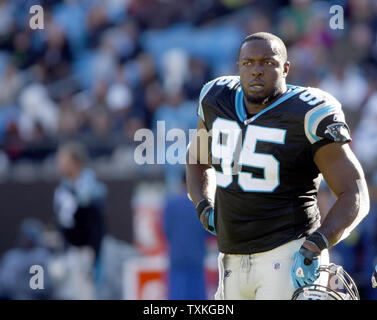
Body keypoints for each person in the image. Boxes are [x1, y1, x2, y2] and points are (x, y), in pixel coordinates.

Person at [185, 32, 370, 300]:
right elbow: (196, 159)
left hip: (287, 254)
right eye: (248, 63)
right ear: (238, 67)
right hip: (230, 259)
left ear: (285, 68)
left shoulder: (307, 113)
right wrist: (203, 206)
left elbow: (355, 193)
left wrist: (317, 243)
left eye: (267, 62)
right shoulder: (216, 99)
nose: (256, 71)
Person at [53, 141, 107, 293]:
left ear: (74, 162)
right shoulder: (62, 188)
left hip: (86, 251)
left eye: (63, 159)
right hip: (70, 251)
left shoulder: (90, 187)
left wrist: (94, 254)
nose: (58, 163)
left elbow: (95, 222)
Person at [163, 174, 208, 300]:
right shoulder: (202, 205)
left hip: (177, 258)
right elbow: (208, 232)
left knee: (177, 295)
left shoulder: (170, 204)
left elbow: (166, 230)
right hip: (196, 258)